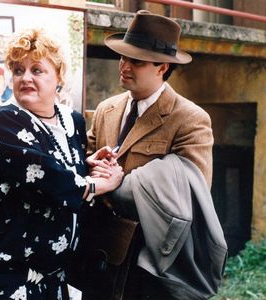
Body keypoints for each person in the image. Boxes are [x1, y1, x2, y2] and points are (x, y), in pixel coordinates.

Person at [0, 28, 123, 300]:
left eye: (37, 70)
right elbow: (46, 178)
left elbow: (58, 167)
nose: (26, 78)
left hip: (59, 276)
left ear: (59, 78)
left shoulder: (72, 121)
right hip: (12, 277)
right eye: (18, 71)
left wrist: (83, 164)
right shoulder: (5, 119)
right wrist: (99, 184)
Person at [86, 10, 225, 300]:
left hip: (149, 263)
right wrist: (91, 166)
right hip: (97, 251)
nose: (124, 66)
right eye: (122, 57)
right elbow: (85, 163)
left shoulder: (189, 118)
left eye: (136, 61)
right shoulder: (105, 109)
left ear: (162, 66)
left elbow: (188, 198)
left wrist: (118, 185)